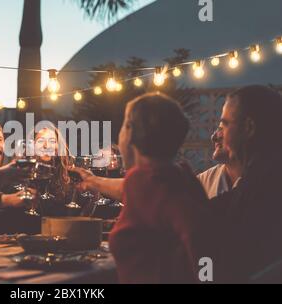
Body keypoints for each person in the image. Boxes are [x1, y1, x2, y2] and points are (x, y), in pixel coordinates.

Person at [108, 92, 213, 283]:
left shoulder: (147, 179)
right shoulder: (181, 175)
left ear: (130, 131)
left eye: (123, 124)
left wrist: (208, 279)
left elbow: (200, 235)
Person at [210, 85, 282, 283]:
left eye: (224, 125)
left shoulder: (267, 184)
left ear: (249, 128)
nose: (218, 134)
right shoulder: (264, 174)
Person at [197, 127, 243, 199]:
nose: (213, 138)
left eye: (223, 128)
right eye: (218, 129)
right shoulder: (202, 182)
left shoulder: (264, 185)